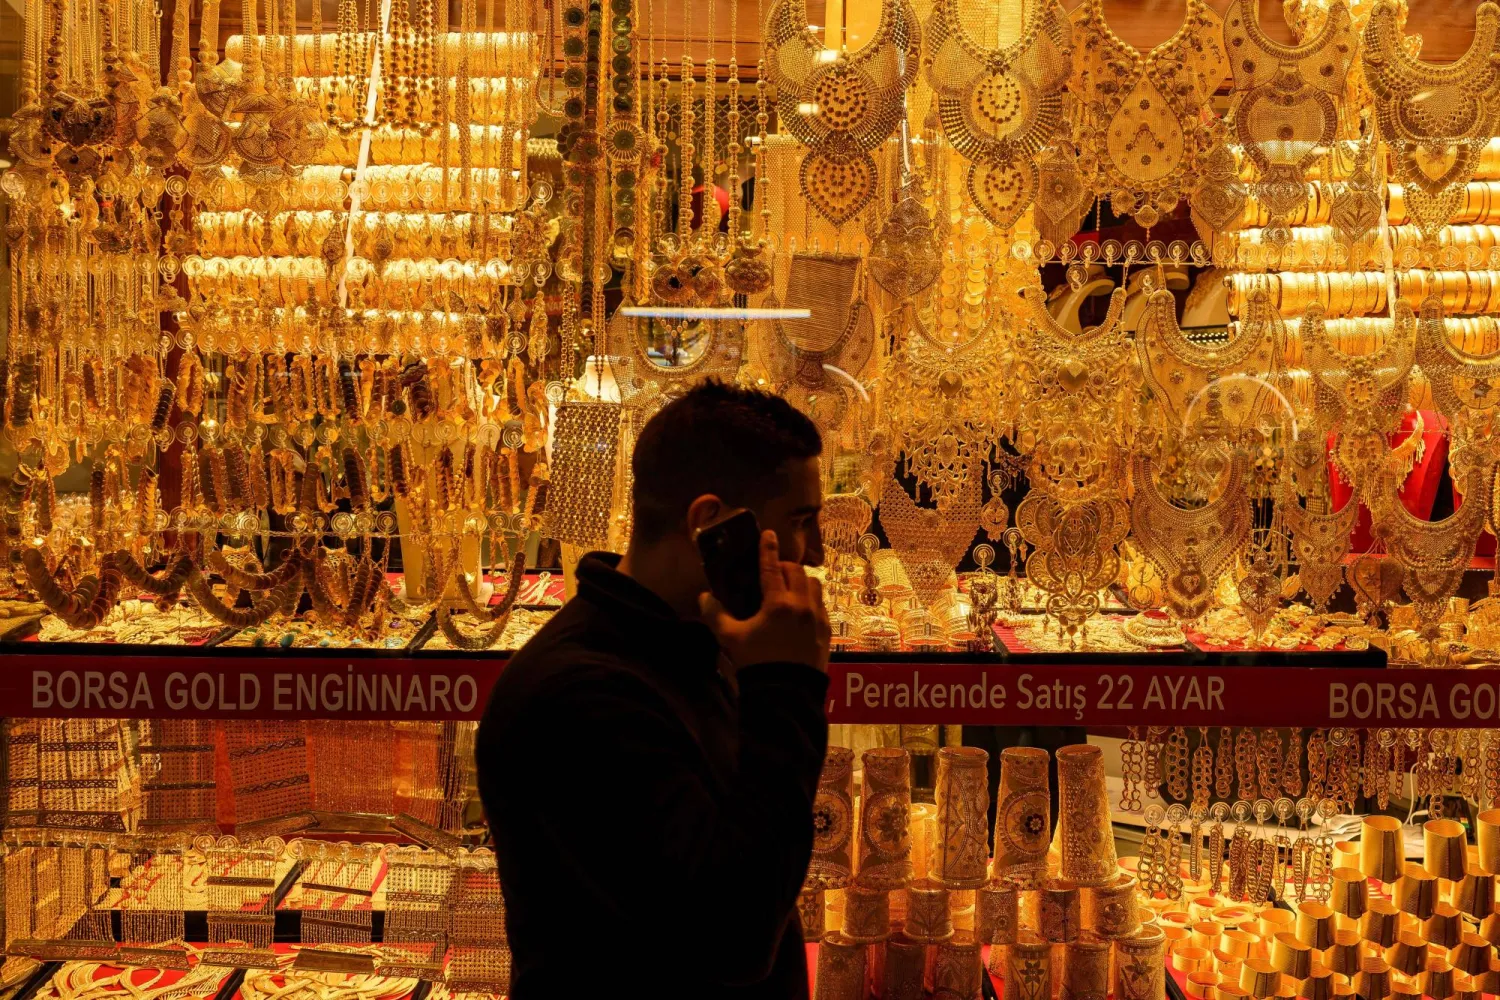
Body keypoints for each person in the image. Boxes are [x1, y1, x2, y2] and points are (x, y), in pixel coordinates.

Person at [476, 380, 833, 999]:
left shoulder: (687, 643)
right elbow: (733, 935)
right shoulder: (581, 697)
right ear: (711, 523)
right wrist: (786, 687)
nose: (817, 552)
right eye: (799, 521)